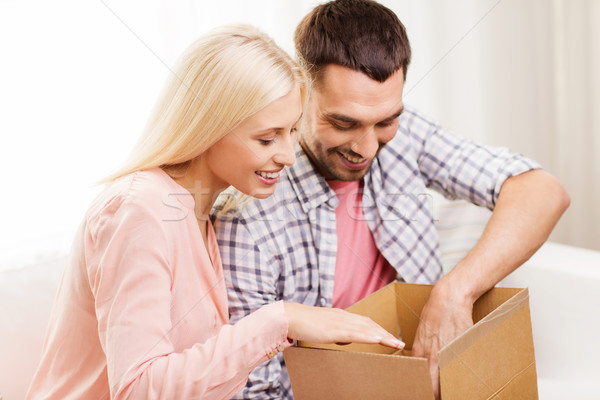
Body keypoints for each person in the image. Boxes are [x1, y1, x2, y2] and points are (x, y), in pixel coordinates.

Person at [25, 24, 406, 400]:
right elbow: (138, 389)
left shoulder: (199, 213)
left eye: (292, 131)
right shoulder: (141, 209)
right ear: (209, 126)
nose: (288, 156)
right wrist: (280, 319)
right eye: (266, 137)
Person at [213, 2, 571, 399]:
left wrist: (456, 290)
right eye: (343, 123)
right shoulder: (247, 221)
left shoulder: (406, 132)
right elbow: (255, 392)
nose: (367, 148)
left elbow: (542, 191)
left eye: (385, 121)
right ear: (300, 93)